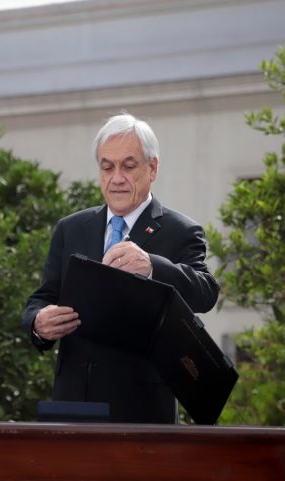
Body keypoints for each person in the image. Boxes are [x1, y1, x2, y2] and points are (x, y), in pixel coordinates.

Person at [22, 112, 219, 423]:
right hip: (73, 402)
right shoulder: (70, 228)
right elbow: (43, 297)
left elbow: (206, 292)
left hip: (142, 410)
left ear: (152, 168)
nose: (116, 178)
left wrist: (151, 266)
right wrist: (38, 323)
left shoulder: (181, 231)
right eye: (107, 167)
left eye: (128, 166)